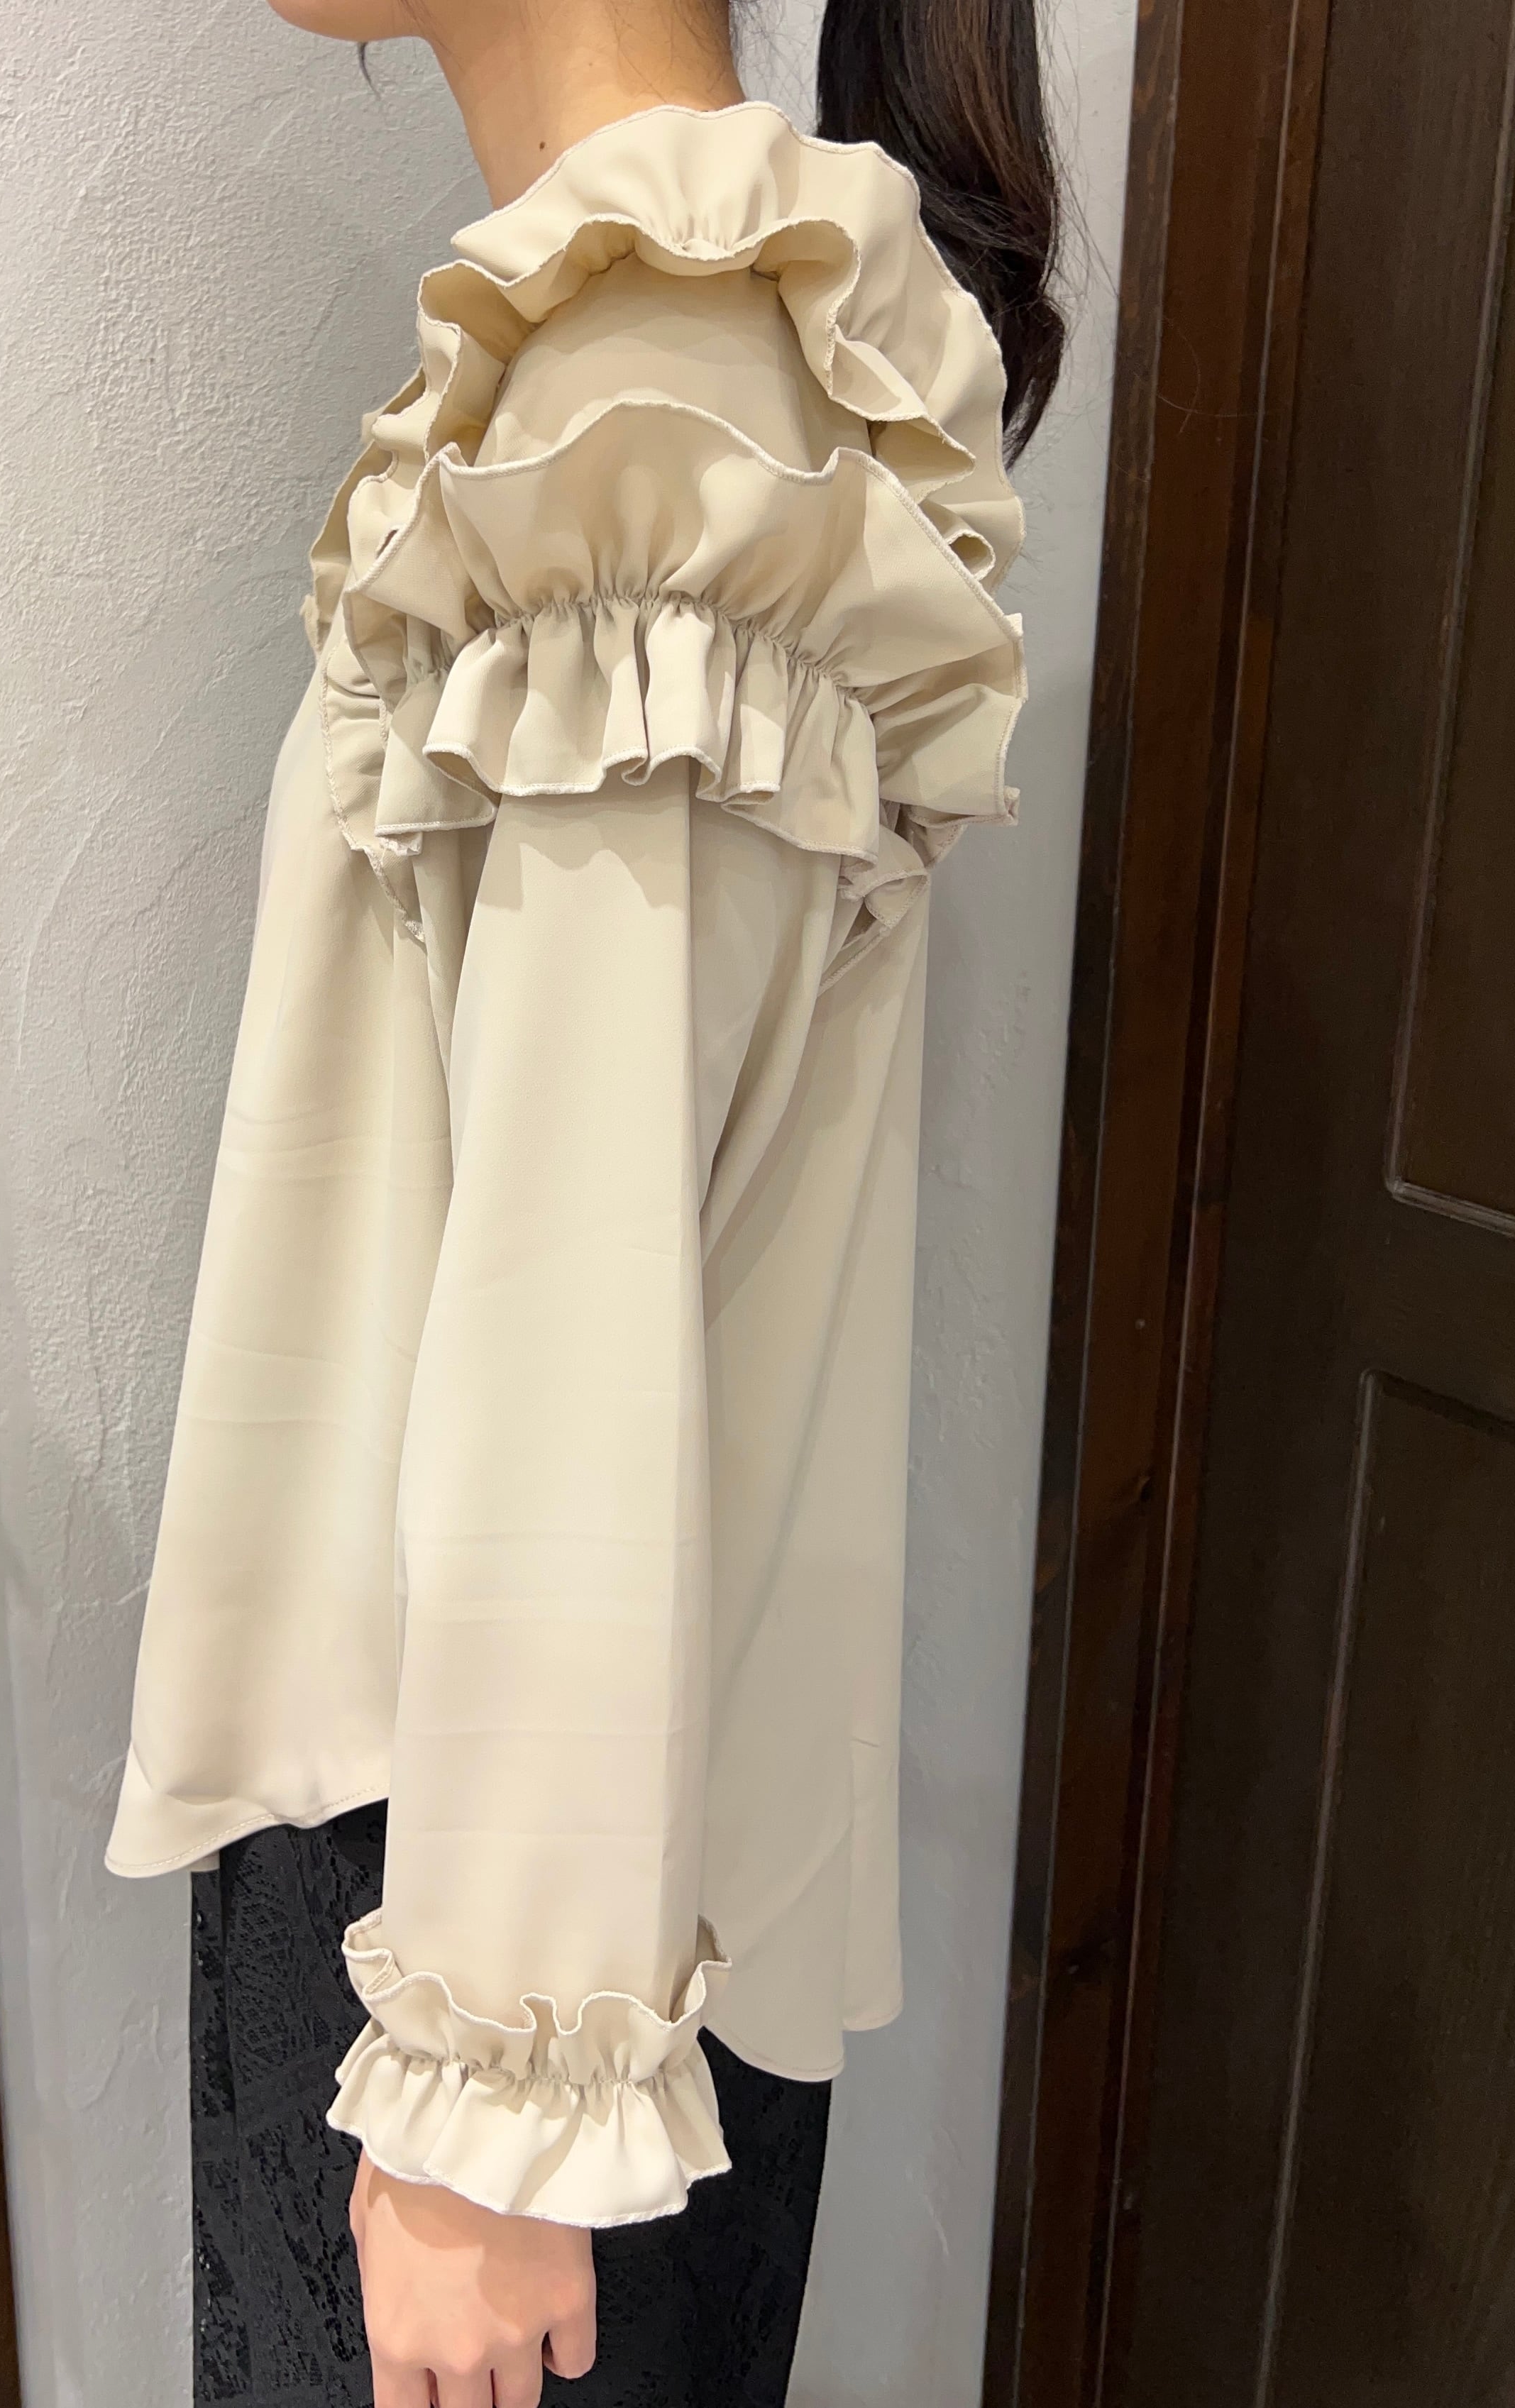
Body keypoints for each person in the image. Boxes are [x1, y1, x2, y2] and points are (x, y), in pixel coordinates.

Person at [107, 0, 1063, 2399]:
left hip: (513, 1966)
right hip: (513, 1905)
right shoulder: (670, 367)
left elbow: (579, 1309)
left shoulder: (652, 391)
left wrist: (489, 2114)